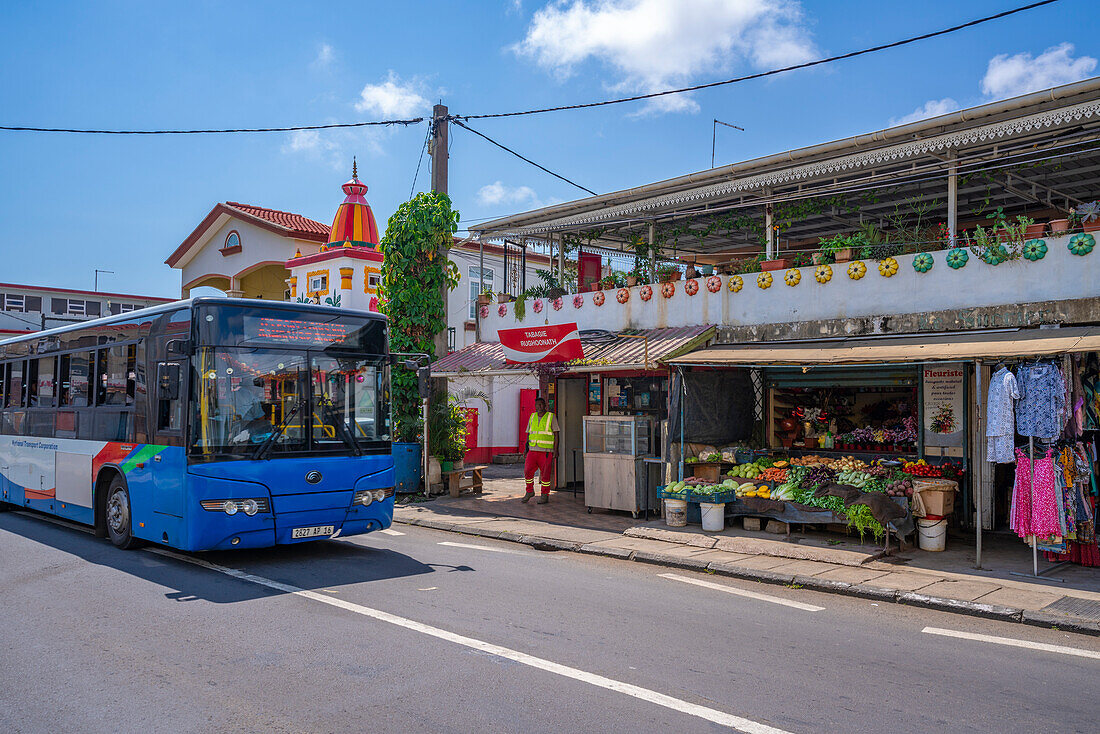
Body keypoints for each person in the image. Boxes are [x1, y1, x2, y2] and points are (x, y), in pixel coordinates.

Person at [522, 397, 559, 504]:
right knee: (527, 471)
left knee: (545, 474)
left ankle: (544, 495)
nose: (540, 407)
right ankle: (529, 491)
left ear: (545, 405)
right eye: (538, 405)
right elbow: (529, 433)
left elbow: (556, 434)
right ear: (535, 406)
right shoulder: (532, 417)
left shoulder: (551, 417)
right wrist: (526, 448)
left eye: (542, 404)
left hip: (546, 451)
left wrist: (556, 450)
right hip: (533, 450)